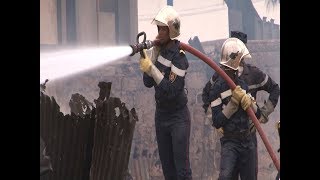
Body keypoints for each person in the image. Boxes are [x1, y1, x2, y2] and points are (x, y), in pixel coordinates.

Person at [202, 31, 280, 178]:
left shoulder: (253, 74)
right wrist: (214, 120)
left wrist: (262, 115)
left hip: (248, 136)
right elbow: (207, 95)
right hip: (229, 137)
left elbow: (275, 89)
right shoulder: (220, 75)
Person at [138, 6, 192, 180]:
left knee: (181, 170)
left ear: (172, 30)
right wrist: (151, 57)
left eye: (163, 29)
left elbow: (171, 91)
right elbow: (147, 83)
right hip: (161, 116)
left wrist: (152, 69)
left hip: (178, 117)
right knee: (168, 170)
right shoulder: (159, 52)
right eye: (158, 28)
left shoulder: (180, 57)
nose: (159, 32)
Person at [208, 37, 261, 180]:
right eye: (241, 60)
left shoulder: (242, 85)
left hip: (247, 141)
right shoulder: (216, 89)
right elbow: (217, 121)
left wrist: (250, 102)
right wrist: (233, 103)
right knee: (225, 177)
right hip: (230, 143)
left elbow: (259, 114)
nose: (243, 63)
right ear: (235, 62)